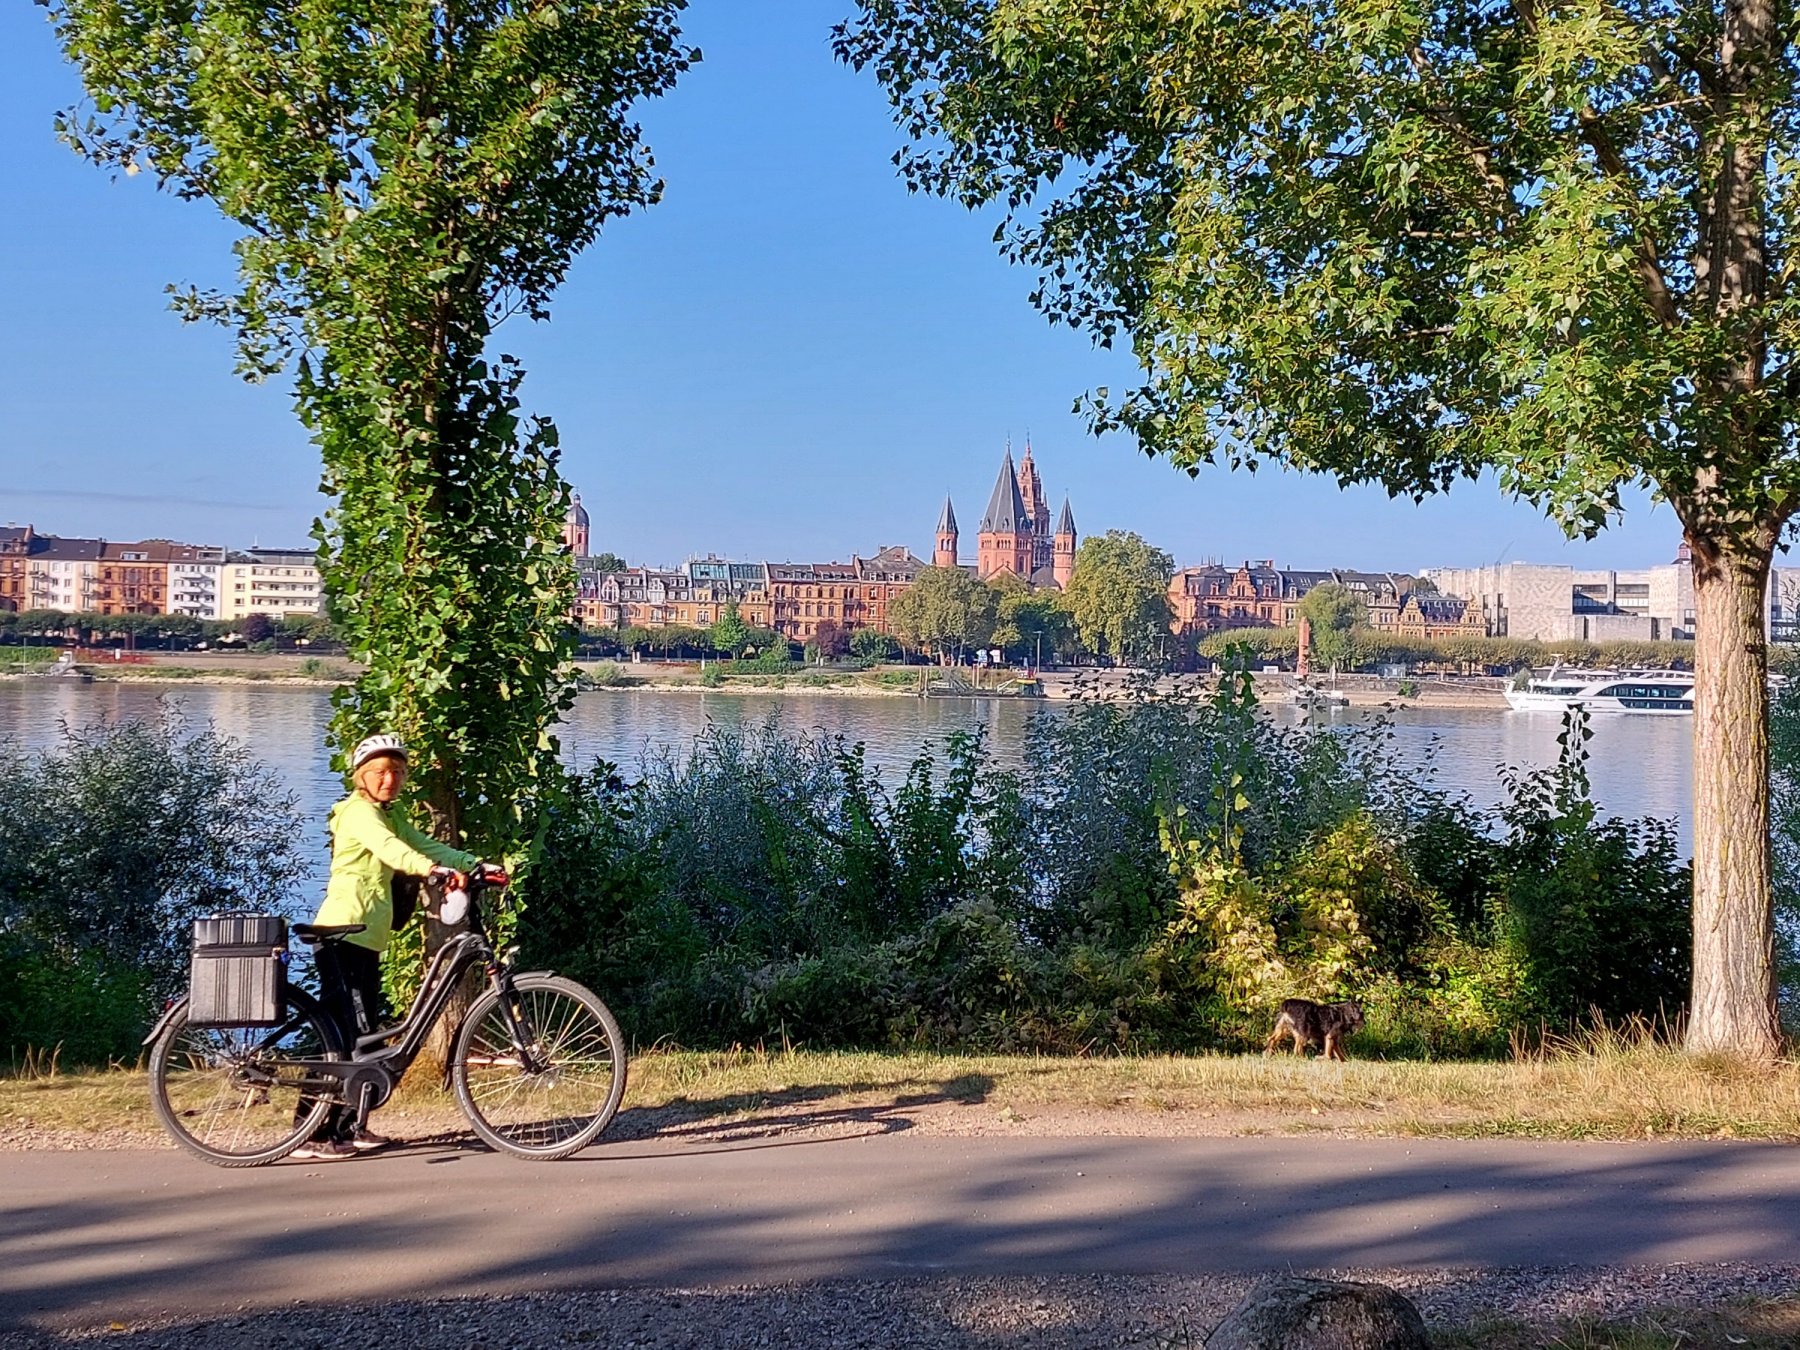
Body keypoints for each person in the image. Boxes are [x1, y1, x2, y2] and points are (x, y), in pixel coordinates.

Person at [293, 733, 481, 1162]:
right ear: (362, 777)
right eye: (380, 771)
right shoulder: (359, 814)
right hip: (341, 935)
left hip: (367, 936)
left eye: (396, 771)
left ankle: (351, 1127)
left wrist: (472, 865)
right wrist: (430, 871)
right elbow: (394, 852)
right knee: (341, 1035)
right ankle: (310, 1132)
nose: (389, 779)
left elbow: (421, 843)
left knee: (365, 1033)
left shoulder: (388, 814)